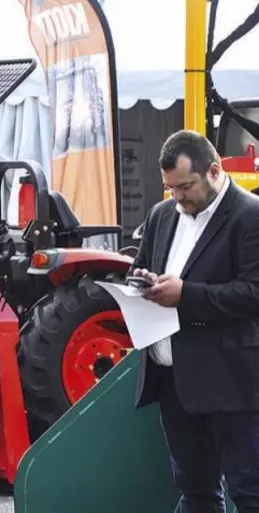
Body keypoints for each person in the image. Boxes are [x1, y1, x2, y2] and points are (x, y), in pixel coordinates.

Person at [131, 129, 259, 513]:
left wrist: (186, 294)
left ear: (215, 171)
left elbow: (254, 293)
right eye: (170, 188)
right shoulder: (160, 215)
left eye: (184, 187)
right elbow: (141, 265)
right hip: (173, 378)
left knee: (248, 490)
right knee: (194, 489)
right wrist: (140, 283)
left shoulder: (250, 216)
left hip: (231, 380)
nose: (177, 197)